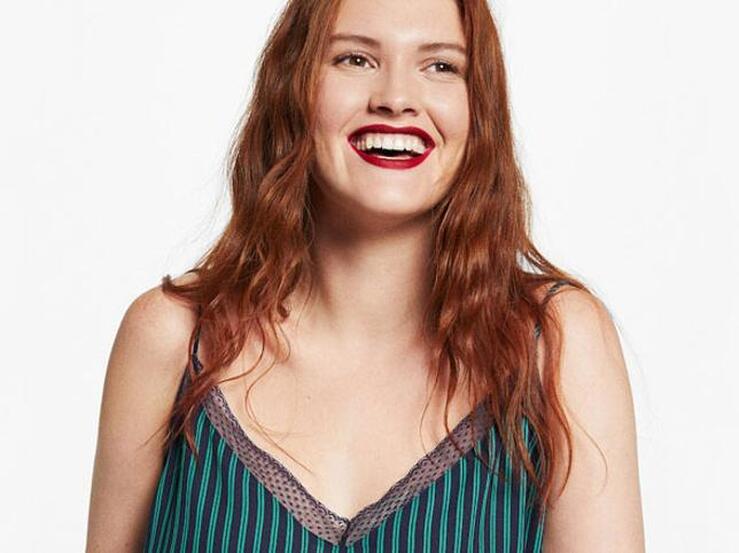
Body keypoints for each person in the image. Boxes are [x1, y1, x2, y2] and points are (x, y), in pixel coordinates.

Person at [86, 0, 645, 551]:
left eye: (441, 65)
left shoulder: (555, 346)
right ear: (293, 86)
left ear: (480, 109)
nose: (396, 98)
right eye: (355, 59)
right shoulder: (173, 339)